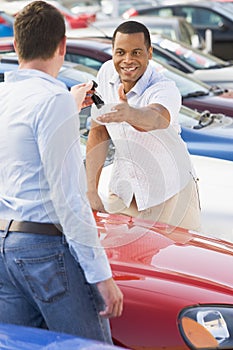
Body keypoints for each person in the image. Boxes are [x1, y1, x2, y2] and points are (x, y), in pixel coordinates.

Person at [0, 0, 123, 342]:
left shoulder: (5, 96)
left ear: (15, 44)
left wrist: (67, 104)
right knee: (89, 346)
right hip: (45, 252)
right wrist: (102, 277)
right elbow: (69, 197)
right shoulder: (52, 101)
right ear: (62, 46)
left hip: (5, 248)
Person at [86, 20, 201, 232]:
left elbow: (157, 118)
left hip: (170, 194)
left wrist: (130, 114)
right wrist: (91, 191)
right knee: (119, 258)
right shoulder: (105, 74)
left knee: (176, 261)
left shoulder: (164, 88)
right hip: (125, 191)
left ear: (150, 52)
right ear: (112, 52)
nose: (127, 60)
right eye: (120, 52)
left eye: (136, 52)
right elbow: (99, 132)